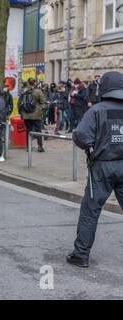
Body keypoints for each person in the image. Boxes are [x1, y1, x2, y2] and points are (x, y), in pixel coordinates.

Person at [67, 71, 123, 268]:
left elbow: (81, 136)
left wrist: (92, 146)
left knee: (90, 210)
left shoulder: (97, 110)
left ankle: (81, 254)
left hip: (102, 167)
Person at [18, 78, 46, 152]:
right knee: (38, 130)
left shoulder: (23, 91)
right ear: (34, 83)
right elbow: (43, 102)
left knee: (28, 131)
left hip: (26, 114)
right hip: (36, 114)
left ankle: (29, 147)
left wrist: (20, 112)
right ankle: (40, 146)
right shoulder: (38, 91)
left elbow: (19, 103)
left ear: (28, 83)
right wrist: (41, 109)